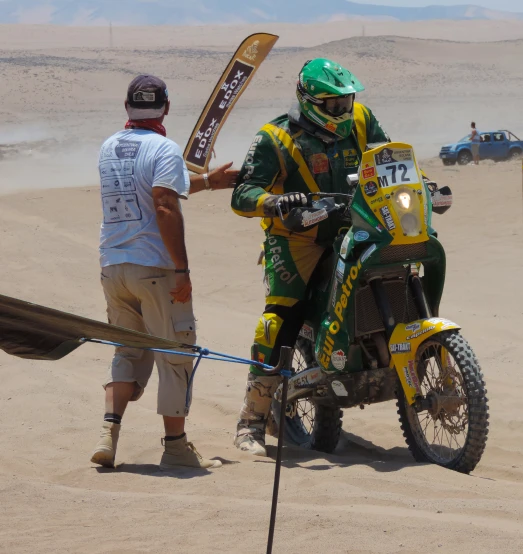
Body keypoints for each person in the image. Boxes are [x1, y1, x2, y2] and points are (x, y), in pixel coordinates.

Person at [229, 58, 391, 456]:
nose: (343, 109)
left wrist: (419, 182)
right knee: (279, 319)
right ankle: (251, 421)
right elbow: (242, 194)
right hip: (297, 238)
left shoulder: (361, 119)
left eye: (347, 101)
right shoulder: (275, 137)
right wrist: (278, 202)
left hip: (353, 224)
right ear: (309, 100)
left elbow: (386, 158)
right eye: (334, 104)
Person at [90, 74, 239, 470]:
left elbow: (155, 187)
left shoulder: (108, 147)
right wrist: (182, 269)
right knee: (176, 352)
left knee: (126, 349)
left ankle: (109, 433)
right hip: (153, 268)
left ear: (127, 108)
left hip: (113, 266)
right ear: (166, 108)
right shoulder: (164, 147)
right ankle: (175, 446)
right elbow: (164, 204)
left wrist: (206, 182)